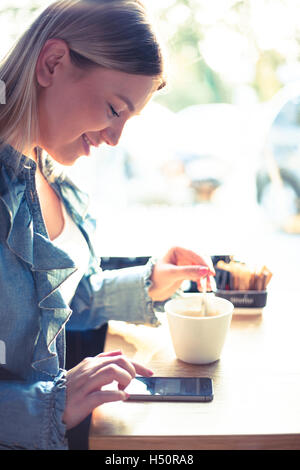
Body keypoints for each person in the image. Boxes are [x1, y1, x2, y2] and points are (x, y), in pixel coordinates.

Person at [0, 0, 215, 450]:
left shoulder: (49, 172)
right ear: (53, 63)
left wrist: (150, 281)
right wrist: (52, 403)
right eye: (115, 110)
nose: (116, 139)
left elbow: (58, 302)